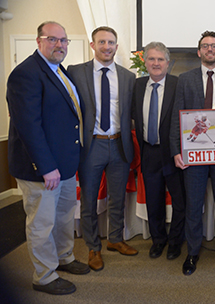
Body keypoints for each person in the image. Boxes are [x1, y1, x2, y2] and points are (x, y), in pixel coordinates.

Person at [7, 21, 89, 295]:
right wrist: (46, 167)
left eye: (63, 40)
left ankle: (64, 257)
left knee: (64, 217)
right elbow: (28, 126)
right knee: (42, 223)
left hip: (64, 167)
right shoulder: (26, 73)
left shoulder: (58, 71)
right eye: (53, 39)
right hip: (43, 170)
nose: (60, 45)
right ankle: (43, 275)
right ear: (39, 41)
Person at [170, 30, 215, 275]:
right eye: (205, 46)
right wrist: (176, 151)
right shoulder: (185, 79)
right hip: (193, 156)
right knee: (193, 206)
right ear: (199, 51)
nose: (210, 49)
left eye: (214, 46)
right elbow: (176, 118)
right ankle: (192, 252)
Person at [68, 26, 137, 271]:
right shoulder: (76, 73)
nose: (106, 46)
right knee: (89, 200)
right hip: (91, 146)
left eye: (111, 42)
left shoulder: (128, 77)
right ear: (93, 45)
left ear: (116, 47)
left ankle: (115, 239)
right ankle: (93, 247)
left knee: (118, 198)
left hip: (119, 145)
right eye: (102, 42)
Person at [131, 42, 186, 260]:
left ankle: (175, 242)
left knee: (179, 201)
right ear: (145, 62)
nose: (156, 63)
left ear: (168, 63)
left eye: (160, 59)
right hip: (149, 152)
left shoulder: (178, 84)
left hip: (173, 152)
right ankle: (158, 240)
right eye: (151, 59)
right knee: (153, 201)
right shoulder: (136, 85)